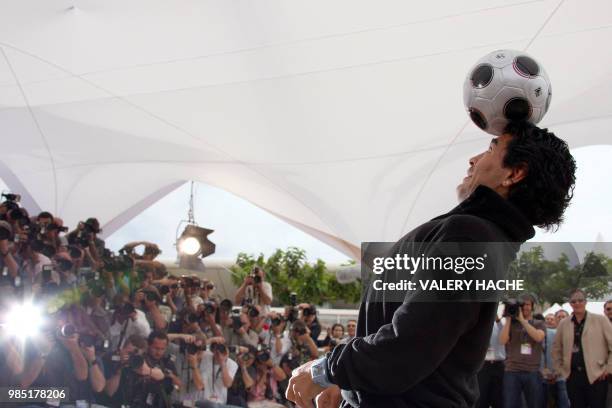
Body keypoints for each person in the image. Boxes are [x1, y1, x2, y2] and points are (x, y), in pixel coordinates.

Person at [285, 121, 576, 407]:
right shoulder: (481, 236)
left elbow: (408, 348)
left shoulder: (471, 238)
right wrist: (350, 384)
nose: (473, 159)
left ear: (514, 173)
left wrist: (325, 371)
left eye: (490, 149)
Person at [552, 289, 612, 408]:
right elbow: (556, 348)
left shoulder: (600, 320)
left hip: (597, 375)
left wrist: (608, 368)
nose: (577, 303)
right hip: (572, 376)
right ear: (570, 303)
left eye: (580, 300)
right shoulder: (564, 323)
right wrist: (560, 369)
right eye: (574, 301)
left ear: (585, 302)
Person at [498, 293, 546, 408]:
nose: (525, 307)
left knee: (534, 404)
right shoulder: (511, 324)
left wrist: (523, 320)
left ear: (532, 306)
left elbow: (538, 337)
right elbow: (502, 340)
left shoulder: (538, 323)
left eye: (528, 304)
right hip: (512, 371)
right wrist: (509, 318)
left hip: (532, 371)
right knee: (510, 404)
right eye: (522, 304)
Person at [541, 308, 570, 408]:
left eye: (564, 317)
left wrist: (559, 372)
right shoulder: (546, 334)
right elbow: (541, 353)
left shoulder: (573, 334)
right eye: (559, 317)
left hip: (564, 377)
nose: (561, 319)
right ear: (555, 319)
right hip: (547, 375)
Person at [476, 315, 506, 408]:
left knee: (498, 399)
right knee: (482, 398)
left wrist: (498, 320)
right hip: (483, 365)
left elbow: (505, 338)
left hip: (498, 365)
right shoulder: (480, 323)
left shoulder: (502, 323)